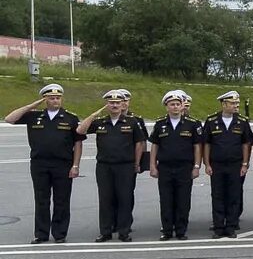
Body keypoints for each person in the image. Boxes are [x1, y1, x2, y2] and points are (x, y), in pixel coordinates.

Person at [4, 83, 85, 243]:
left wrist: (75, 165)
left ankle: (60, 233)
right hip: (39, 164)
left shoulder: (70, 118)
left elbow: (78, 143)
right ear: (45, 99)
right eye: (51, 98)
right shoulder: (34, 116)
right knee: (41, 199)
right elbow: (10, 118)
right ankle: (41, 234)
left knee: (62, 200)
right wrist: (34, 104)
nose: (55, 101)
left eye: (58, 98)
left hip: (63, 164)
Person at [77, 90, 146, 242]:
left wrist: (136, 163)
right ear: (107, 105)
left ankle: (124, 232)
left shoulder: (131, 122)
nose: (114, 105)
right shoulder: (101, 122)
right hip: (104, 166)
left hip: (125, 166)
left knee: (125, 198)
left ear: (123, 105)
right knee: (105, 199)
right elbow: (80, 130)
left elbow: (139, 144)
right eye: (111, 102)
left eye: (117, 102)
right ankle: (105, 232)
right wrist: (94, 115)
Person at [149, 90, 204, 241]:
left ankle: (181, 230)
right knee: (166, 199)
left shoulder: (192, 124)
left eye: (177, 104)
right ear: (167, 107)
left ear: (182, 106)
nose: (175, 107)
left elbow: (197, 147)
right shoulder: (160, 124)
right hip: (165, 167)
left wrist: (197, 166)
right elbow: (155, 146)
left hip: (185, 167)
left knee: (183, 199)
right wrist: (152, 165)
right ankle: (167, 230)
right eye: (171, 104)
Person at [203, 90, 253, 238]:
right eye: (232, 103)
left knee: (234, 196)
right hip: (217, 164)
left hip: (235, 165)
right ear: (223, 104)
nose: (236, 106)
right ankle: (219, 227)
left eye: (237, 103)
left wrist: (245, 164)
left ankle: (231, 226)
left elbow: (246, 144)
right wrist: (207, 164)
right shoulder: (212, 121)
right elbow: (207, 144)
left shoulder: (242, 121)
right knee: (217, 195)